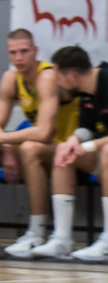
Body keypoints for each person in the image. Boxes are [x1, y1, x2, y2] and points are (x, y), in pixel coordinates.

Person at [0, 28, 74, 258]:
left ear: (35, 51)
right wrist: (6, 148)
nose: (19, 57)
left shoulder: (47, 76)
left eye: (24, 51)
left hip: (66, 146)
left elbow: (44, 133)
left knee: (29, 148)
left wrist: (4, 138)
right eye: (13, 52)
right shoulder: (10, 79)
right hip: (42, 147)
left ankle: (37, 231)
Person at [50, 45, 108, 260]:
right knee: (64, 154)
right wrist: (72, 141)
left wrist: (89, 146)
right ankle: (62, 239)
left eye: (58, 77)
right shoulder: (85, 93)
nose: (57, 83)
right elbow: (86, 127)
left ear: (71, 75)